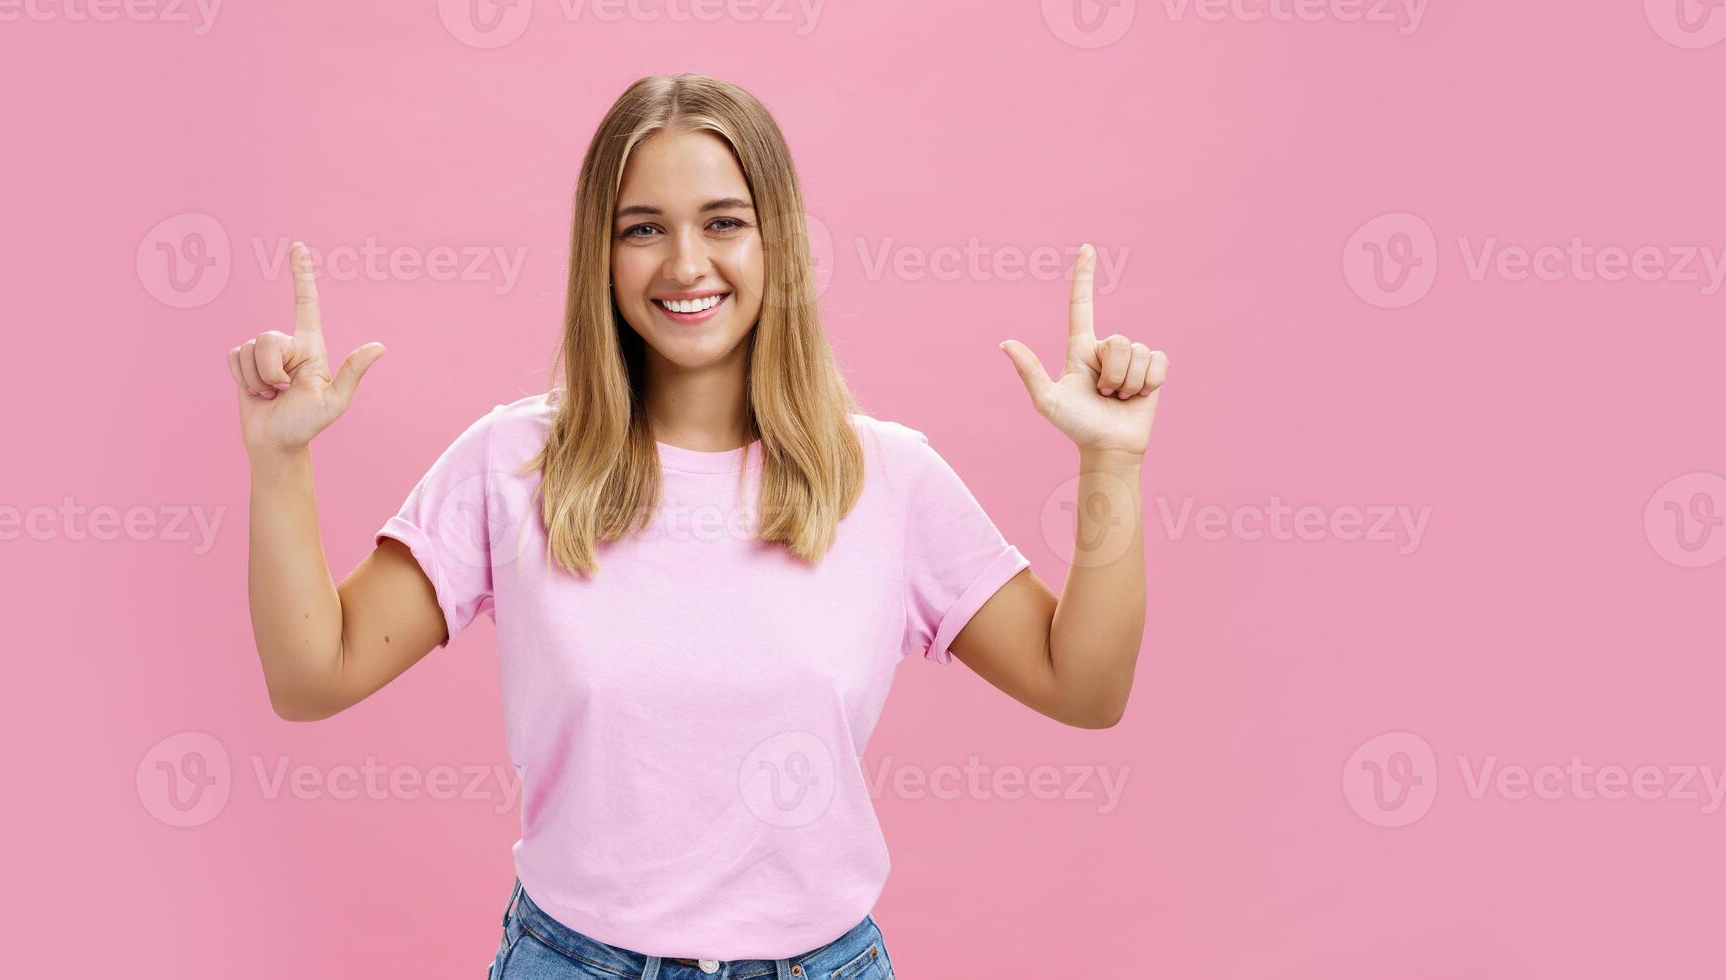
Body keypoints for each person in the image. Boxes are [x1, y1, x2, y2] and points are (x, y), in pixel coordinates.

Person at [223, 73, 1167, 980]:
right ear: (603, 252)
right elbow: (314, 677)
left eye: (724, 223)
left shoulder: (888, 478)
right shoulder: (511, 465)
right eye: (644, 229)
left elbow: (1085, 687)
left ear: (778, 245)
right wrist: (280, 458)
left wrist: (1112, 462)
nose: (685, 264)